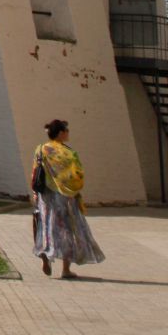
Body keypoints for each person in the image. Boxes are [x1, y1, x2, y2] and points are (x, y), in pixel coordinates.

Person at [31, 118, 105, 278]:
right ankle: (65, 269)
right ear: (61, 133)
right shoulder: (69, 153)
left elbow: (36, 171)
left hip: (46, 196)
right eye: (67, 131)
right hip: (66, 198)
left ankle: (45, 253)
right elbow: (77, 175)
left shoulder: (41, 149)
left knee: (47, 226)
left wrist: (36, 193)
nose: (68, 133)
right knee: (67, 231)